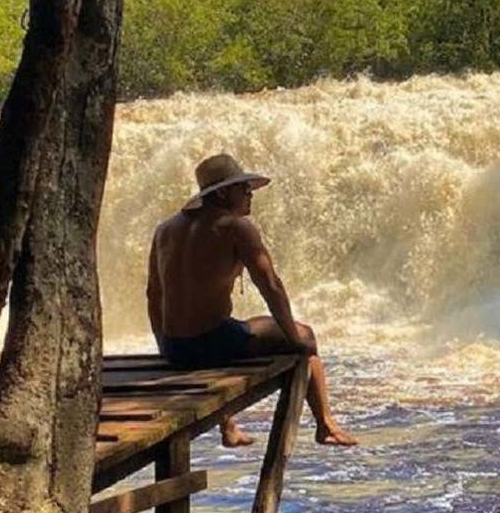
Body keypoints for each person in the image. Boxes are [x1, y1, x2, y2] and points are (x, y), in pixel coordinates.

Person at [146, 153, 357, 447]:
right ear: (222, 192)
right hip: (214, 342)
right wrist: (293, 336)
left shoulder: (165, 230)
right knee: (306, 336)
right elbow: (271, 285)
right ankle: (326, 425)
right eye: (243, 189)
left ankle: (229, 428)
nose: (250, 195)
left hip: (175, 347)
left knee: (233, 327)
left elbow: (154, 295)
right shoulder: (235, 227)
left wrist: (164, 345)